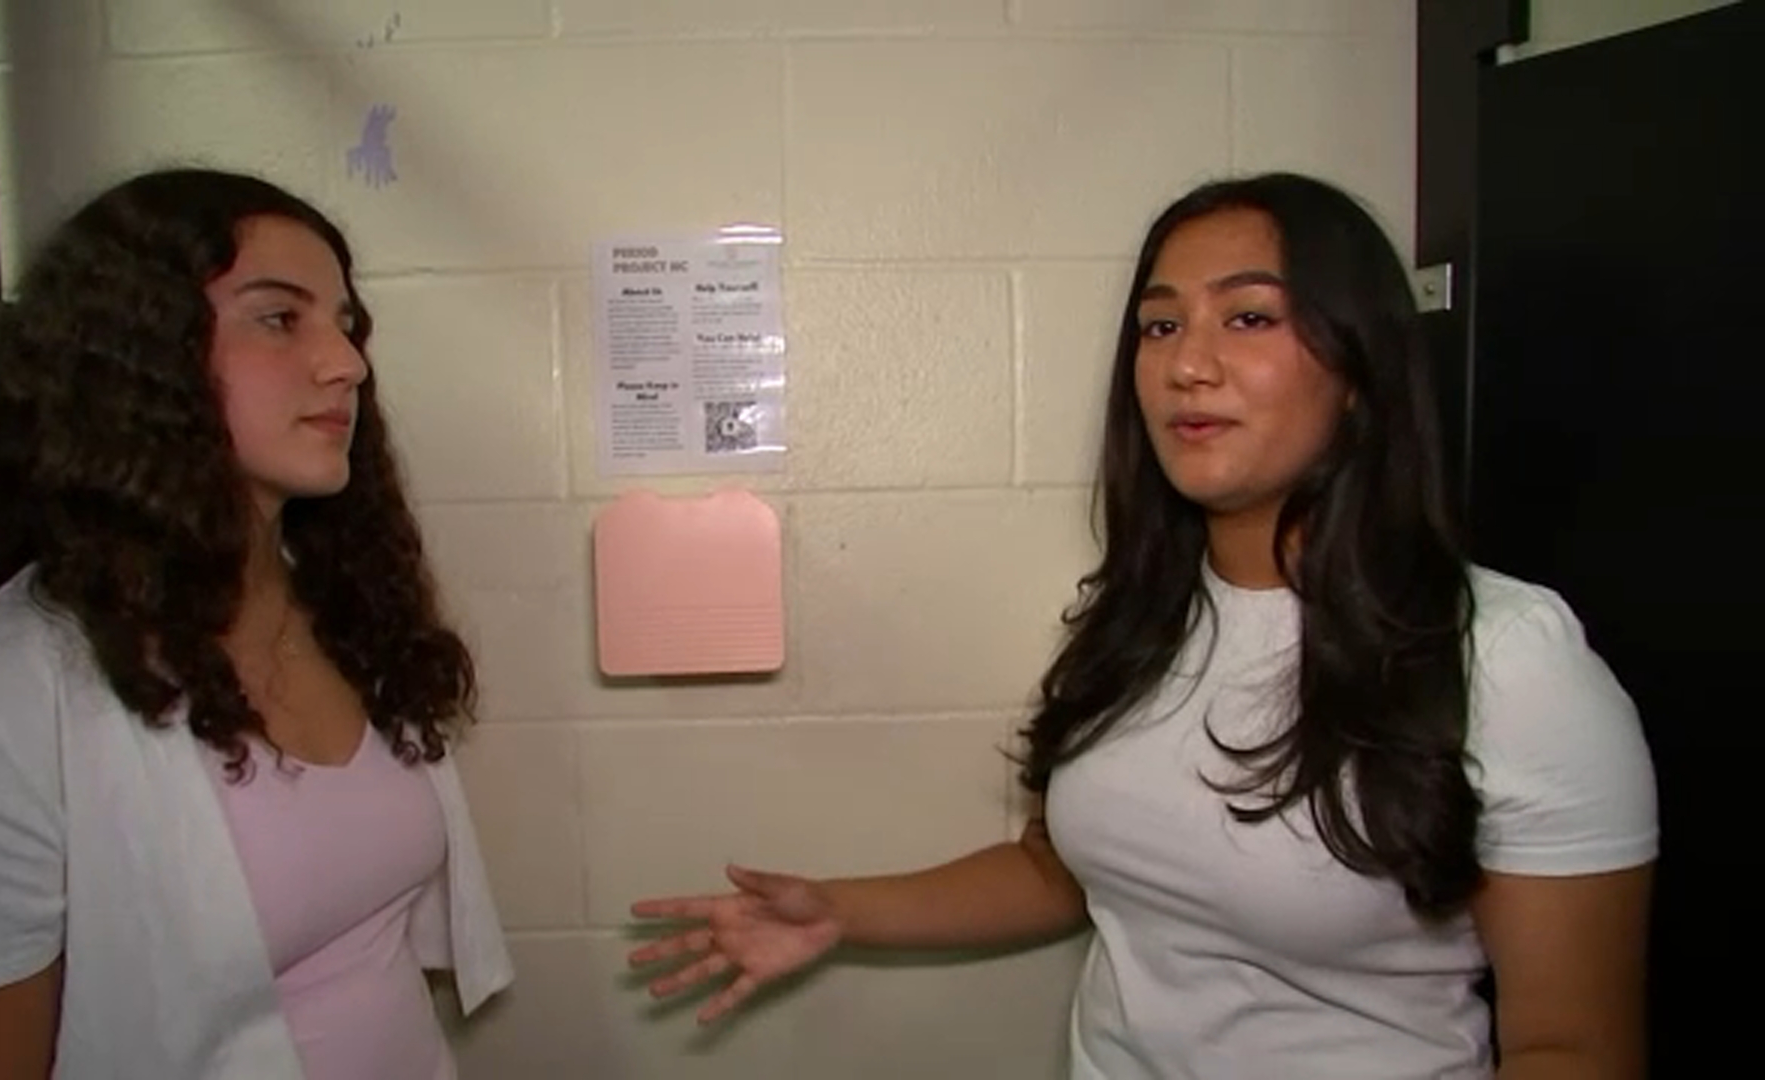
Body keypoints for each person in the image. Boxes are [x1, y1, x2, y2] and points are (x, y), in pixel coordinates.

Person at [627, 173, 1657, 1078]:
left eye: (1248, 319)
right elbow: (1069, 869)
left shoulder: (1510, 664)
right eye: (1161, 325)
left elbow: (1575, 1049)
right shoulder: (1139, 621)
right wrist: (843, 910)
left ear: (1359, 372)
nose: (1186, 366)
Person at [0, 168, 512, 1079]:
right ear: (137, 355)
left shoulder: (342, 615)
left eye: (346, 324)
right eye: (281, 319)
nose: (347, 362)